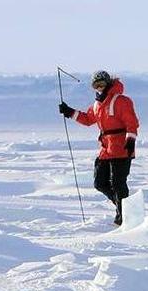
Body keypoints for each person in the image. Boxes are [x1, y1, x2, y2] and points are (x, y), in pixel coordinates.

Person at [58, 70, 140, 226]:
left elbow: (132, 123)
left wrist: (130, 141)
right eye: (96, 85)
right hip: (106, 149)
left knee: (118, 183)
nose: (99, 88)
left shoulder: (122, 101)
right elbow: (88, 119)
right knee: (100, 183)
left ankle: (124, 216)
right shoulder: (97, 105)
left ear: (108, 83)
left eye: (102, 84)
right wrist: (69, 112)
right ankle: (124, 207)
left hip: (122, 147)